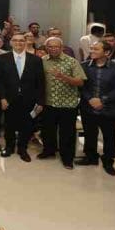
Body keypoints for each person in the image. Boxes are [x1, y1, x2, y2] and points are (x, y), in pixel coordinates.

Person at [76, 41, 115, 176]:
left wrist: (102, 100)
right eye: (91, 48)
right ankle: (91, 157)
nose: (91, 51)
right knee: (89, 133)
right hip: (88, 106)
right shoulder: (84, 66)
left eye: (95, 49)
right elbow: (81, 86)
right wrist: (90, 99)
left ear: (107, 52)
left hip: (110, 108)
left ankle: (108, 161)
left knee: (110, 136)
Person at [0, 33, 46, 162]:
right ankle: (9, 147)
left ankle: (22, 149)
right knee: (9, 124)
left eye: (22, 40)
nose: (18, 43)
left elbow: (40, 82)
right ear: (11, 42)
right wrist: (2, 98)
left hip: (29, 99)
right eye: (15, 40)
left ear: (26, 42)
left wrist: (40, 101)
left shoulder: (35, 60)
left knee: (27, 125)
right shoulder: (2, 58)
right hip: (9, 98)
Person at [39, 37, 86, 169]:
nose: (53, 49)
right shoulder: (42, 61)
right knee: (48, 130)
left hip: (68, 104)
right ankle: (49, 151)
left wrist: (63, 77)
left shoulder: (72, 62)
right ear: (46, 48)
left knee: (67, 133)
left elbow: (80, 81)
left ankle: (67, 158)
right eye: (50, 46)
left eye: (56, 46)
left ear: (62, 47)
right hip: (48, 103)